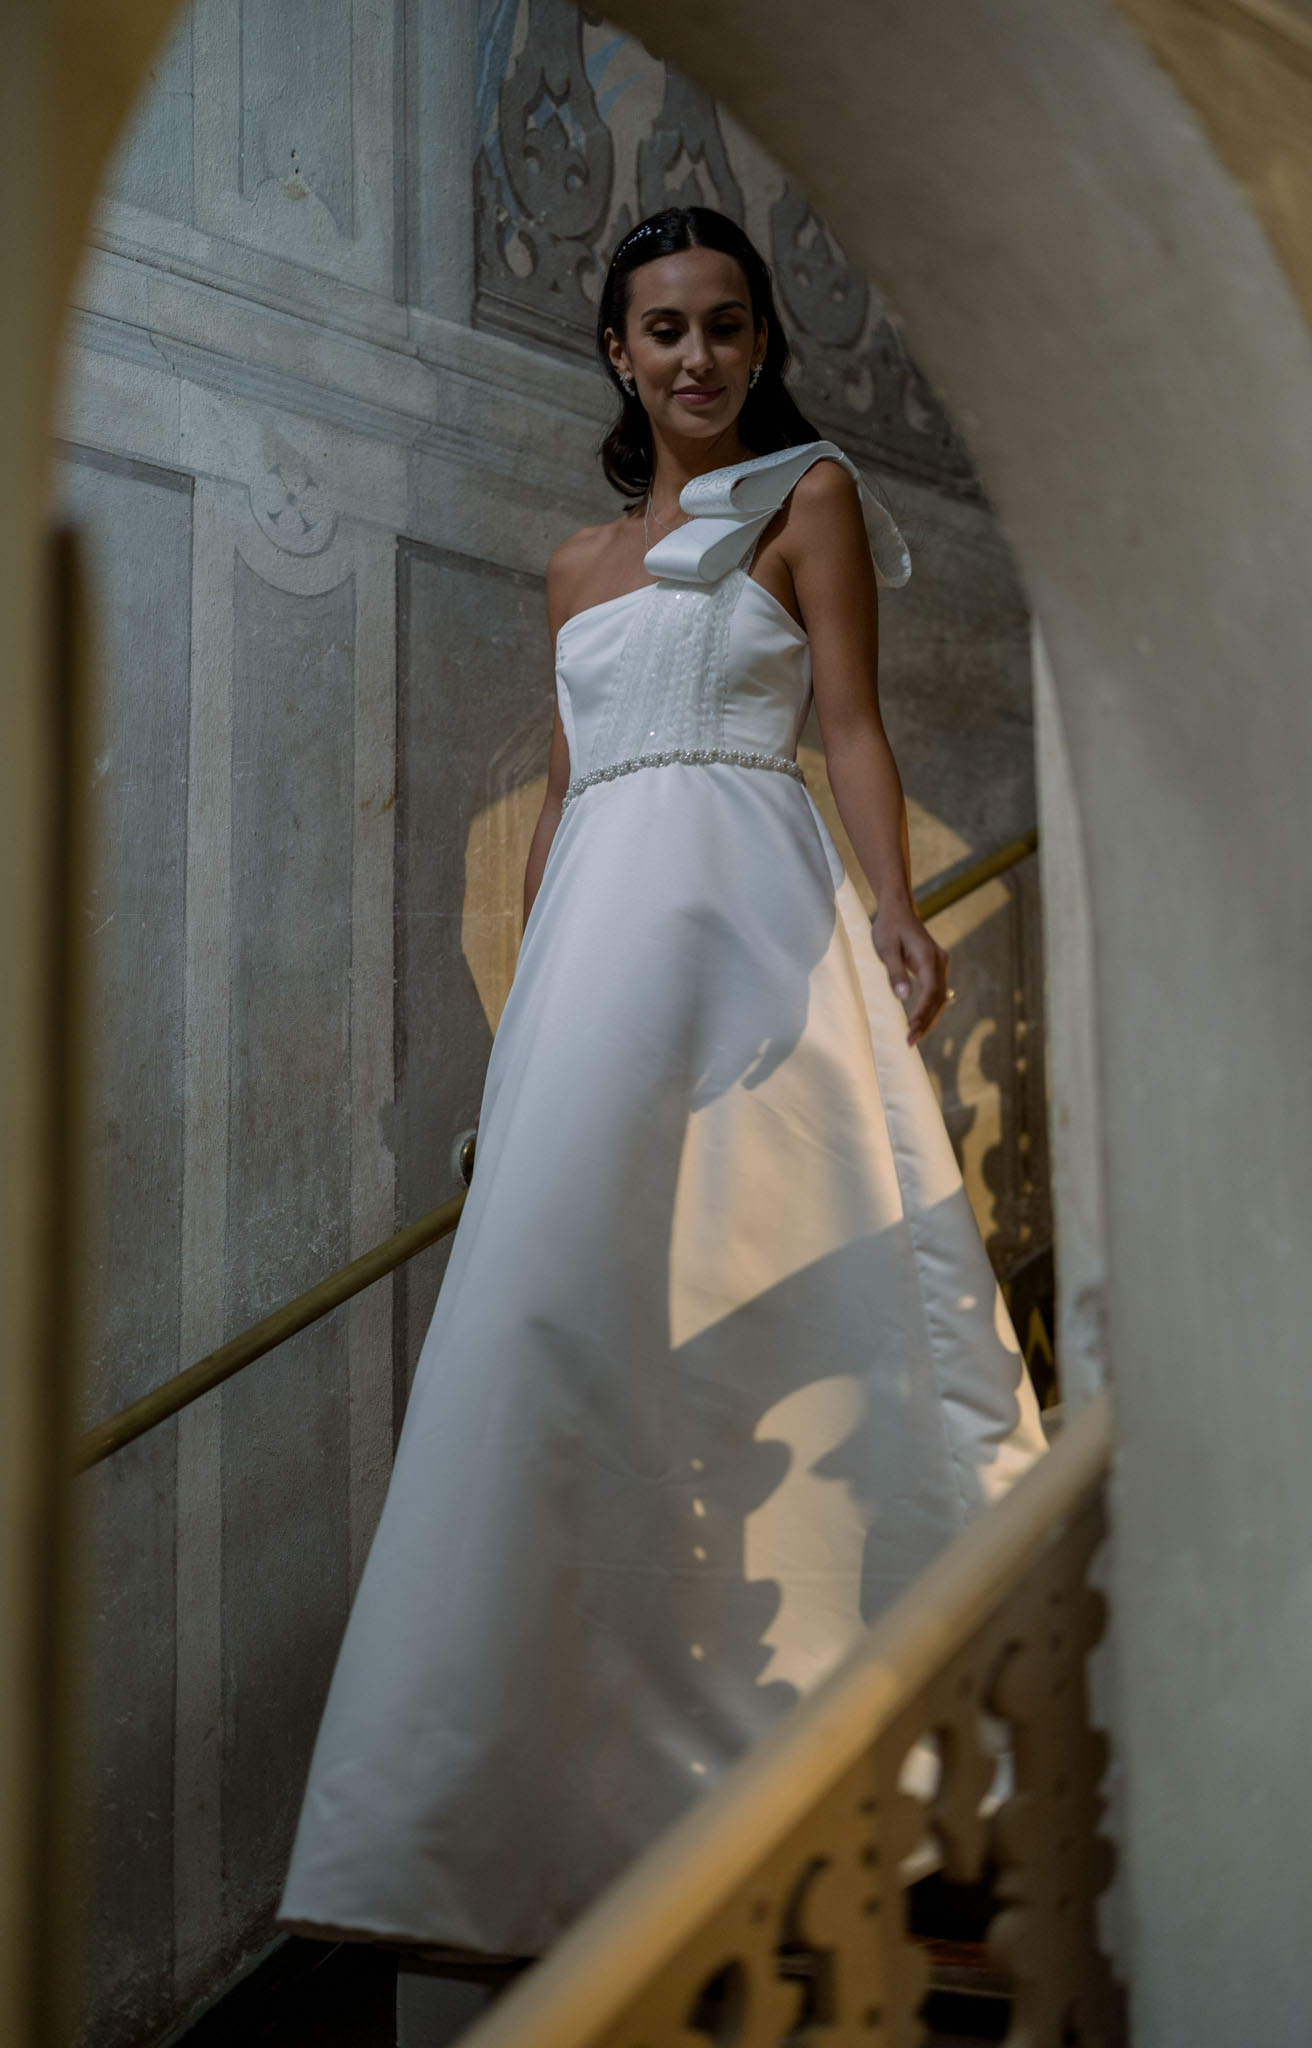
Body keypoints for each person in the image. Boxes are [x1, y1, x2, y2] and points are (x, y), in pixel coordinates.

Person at [277, 205, 1046, 1975]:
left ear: (759, 346)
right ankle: (543, 1807)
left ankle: (885, 1761)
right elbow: (562, 791)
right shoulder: (569, 568)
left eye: (721, 327)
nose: (693, 357)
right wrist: (531, 977)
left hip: (747, 906)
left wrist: (896, 910)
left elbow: (848, 724)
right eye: (659, 330)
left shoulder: (808, 502)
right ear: (615, 356)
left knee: (780, 1271)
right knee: (570, 1308)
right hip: (601, 940)